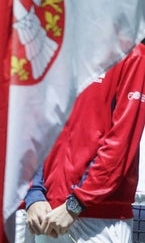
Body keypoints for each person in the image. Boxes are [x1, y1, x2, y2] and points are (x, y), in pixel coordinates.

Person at [24, 42, 145, 242]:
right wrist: (34, 193)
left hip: (99, 217)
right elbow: (34, 127)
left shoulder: (132, 55)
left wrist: (75, 204)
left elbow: (120, 146)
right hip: (47, 214)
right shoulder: (56, 50)